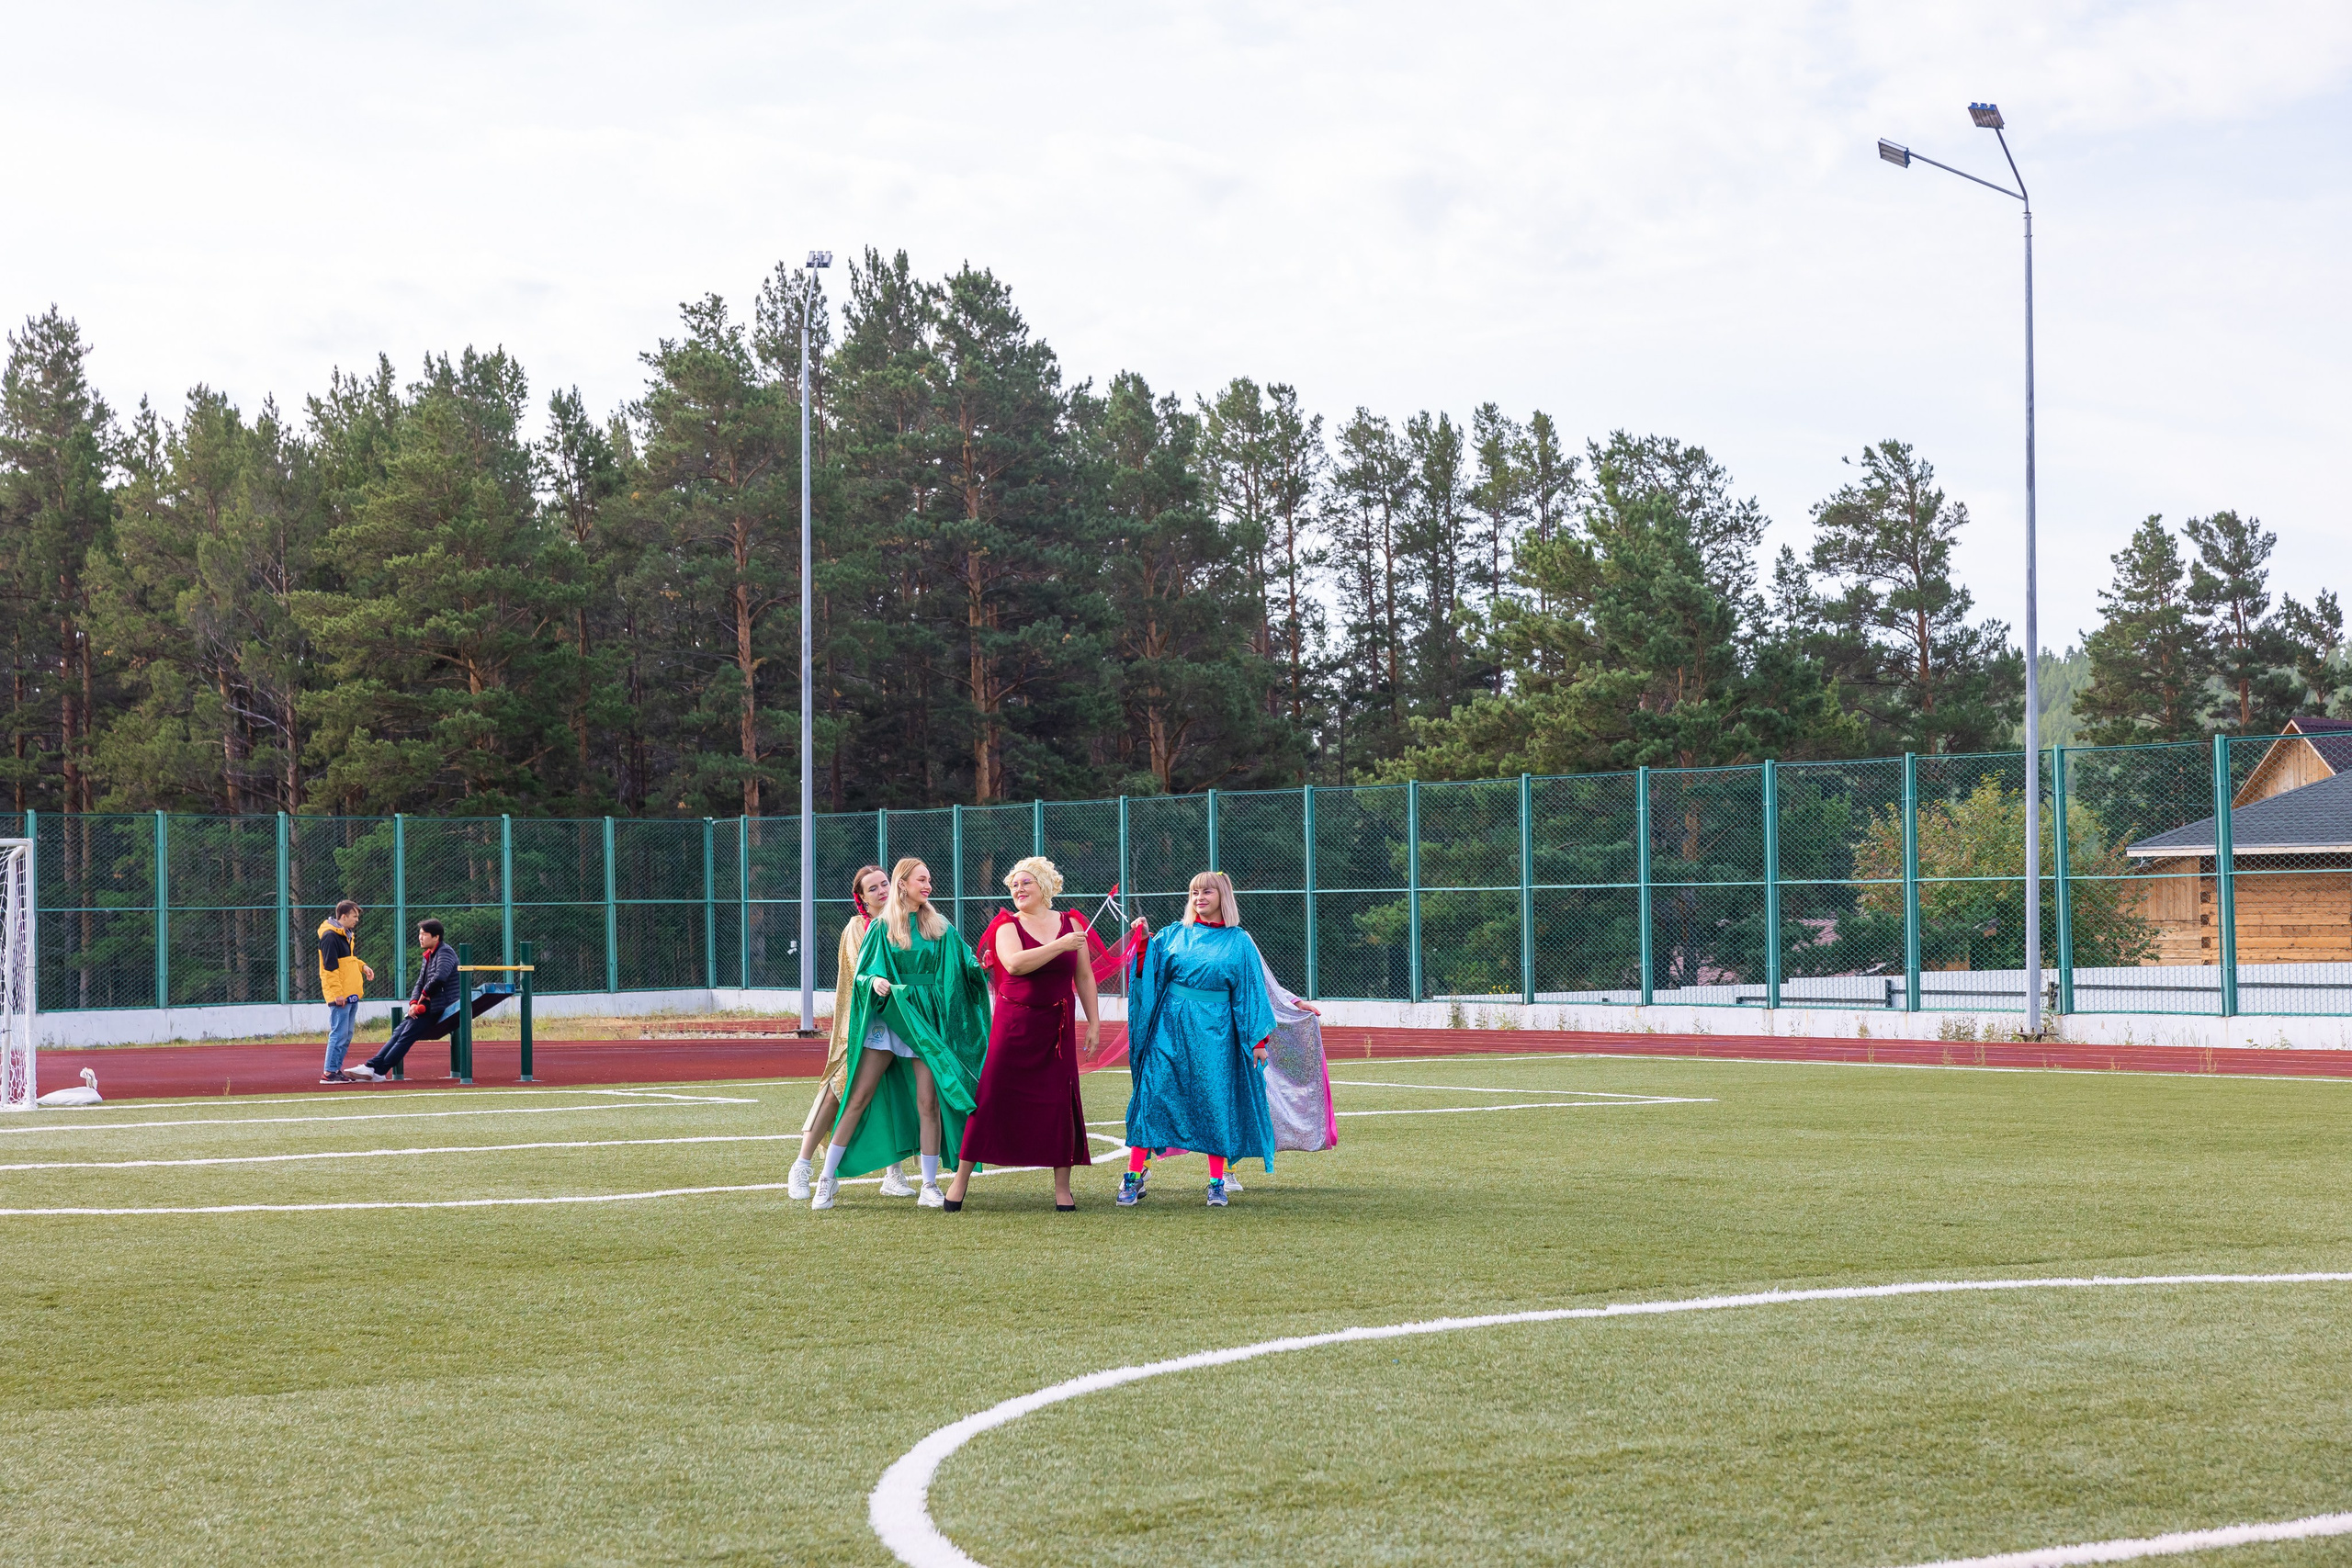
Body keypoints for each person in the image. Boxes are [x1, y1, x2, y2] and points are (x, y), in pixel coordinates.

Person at [810, 858, 990, 1211]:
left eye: (930, 880)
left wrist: (981, 965)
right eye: (921, 879)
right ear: (902, 883)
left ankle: (928, 1184)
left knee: (929, 1103)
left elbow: (964, 964)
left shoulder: (940, 927)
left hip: (923, 1023)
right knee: (858, 1097)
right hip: (890, 1017)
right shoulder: (880, 928)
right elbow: (862, 973)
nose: (928, 886)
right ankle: (826, 1180)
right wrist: (873, 980)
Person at [942, 856, 1099, 1213]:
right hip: (1014, 1026)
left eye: (1025, 882)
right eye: (1014, 884)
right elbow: (1014, 964)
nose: (1018, 889)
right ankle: (959, 1182)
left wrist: (1093, 1022)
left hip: (1056, 1028)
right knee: (990, 1097)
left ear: (1043, 886)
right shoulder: (1005, 925)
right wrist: (1062, 945)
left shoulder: (1072, 922)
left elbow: (1084, 976)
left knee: (1060, 1101)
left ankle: (1063, 1189)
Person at [1117, 871, 1276, 1209]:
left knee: (1214, 1100)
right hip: (1168, 1028)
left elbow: (1249, 992)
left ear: (1223, 896)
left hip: (1215, 1034)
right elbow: (1149, 972)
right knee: (1153, 1094)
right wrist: (1144, 941)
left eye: (1207, 891)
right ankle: (1133, 1176)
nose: (1199, 897)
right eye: (1193, 892)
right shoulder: (1173, 934)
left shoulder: (1239, 942)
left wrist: (1258, 1041)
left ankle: (1217, 1182)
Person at [788, 866, 918, 1201]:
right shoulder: (857, 927)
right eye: (872, 888)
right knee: (837, 1089)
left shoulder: (905, 921)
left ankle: (893, 1172)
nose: (881, 891)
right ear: (861, 896)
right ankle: (802, 1165)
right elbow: (860, 974)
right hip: (862, 1025)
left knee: (895, 1094)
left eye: (884, 883)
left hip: (901, 1022)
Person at [346, 919, 459, 1082]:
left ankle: (377, 1070)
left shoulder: (445, 952)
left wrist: (423, 996)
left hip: (440, 1004)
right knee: (399, 1032)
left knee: (406, 1034)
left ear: (436, 937)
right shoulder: (429, 955)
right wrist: (414, 1003)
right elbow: (419, 983)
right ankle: (373, 1068)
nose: (420, 938)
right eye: (419, 934)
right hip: (429, 1004)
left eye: (424, 934)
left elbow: (440, 977)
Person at [317, 900, 377, 1085]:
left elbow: (348, 961)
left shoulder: (345, 935)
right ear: (343, 916)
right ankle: (329, 1072)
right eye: (354, 916)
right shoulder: (329, 937)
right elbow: (330, 969)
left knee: (347, 1034)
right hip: (340, 995)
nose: (357, 920)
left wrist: (363, 966)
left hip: (350, 993)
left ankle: (335, 1070)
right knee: (339, 1033)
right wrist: (337, 994)